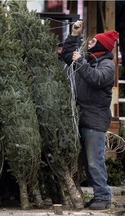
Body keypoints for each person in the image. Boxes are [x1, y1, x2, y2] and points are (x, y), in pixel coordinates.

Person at [61, 20, 119, 210]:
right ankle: (97, 197)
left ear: (102, 45)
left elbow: (97, 79)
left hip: (94, 120)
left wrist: (81, 62)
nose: (90, 41)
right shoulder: (88, 59)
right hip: (82, 117)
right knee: (87, 163)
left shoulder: (107, 65)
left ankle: (103, 197)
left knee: (95, 161)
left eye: (94, 40)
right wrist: (74, 34)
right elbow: (68, 55)